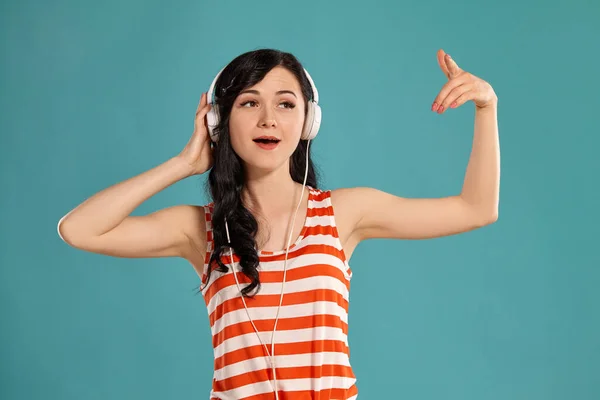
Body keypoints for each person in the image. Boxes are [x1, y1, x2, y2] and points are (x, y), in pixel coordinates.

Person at [57, 48, 500, 400]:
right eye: (250, 103)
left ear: (308, 121)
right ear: (219, 121)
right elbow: (79, 229)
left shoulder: (344, 213)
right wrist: (181, 164)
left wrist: (487, 108)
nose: (269, 118)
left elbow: (476, 209)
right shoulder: (201, 230)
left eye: (285, 104)